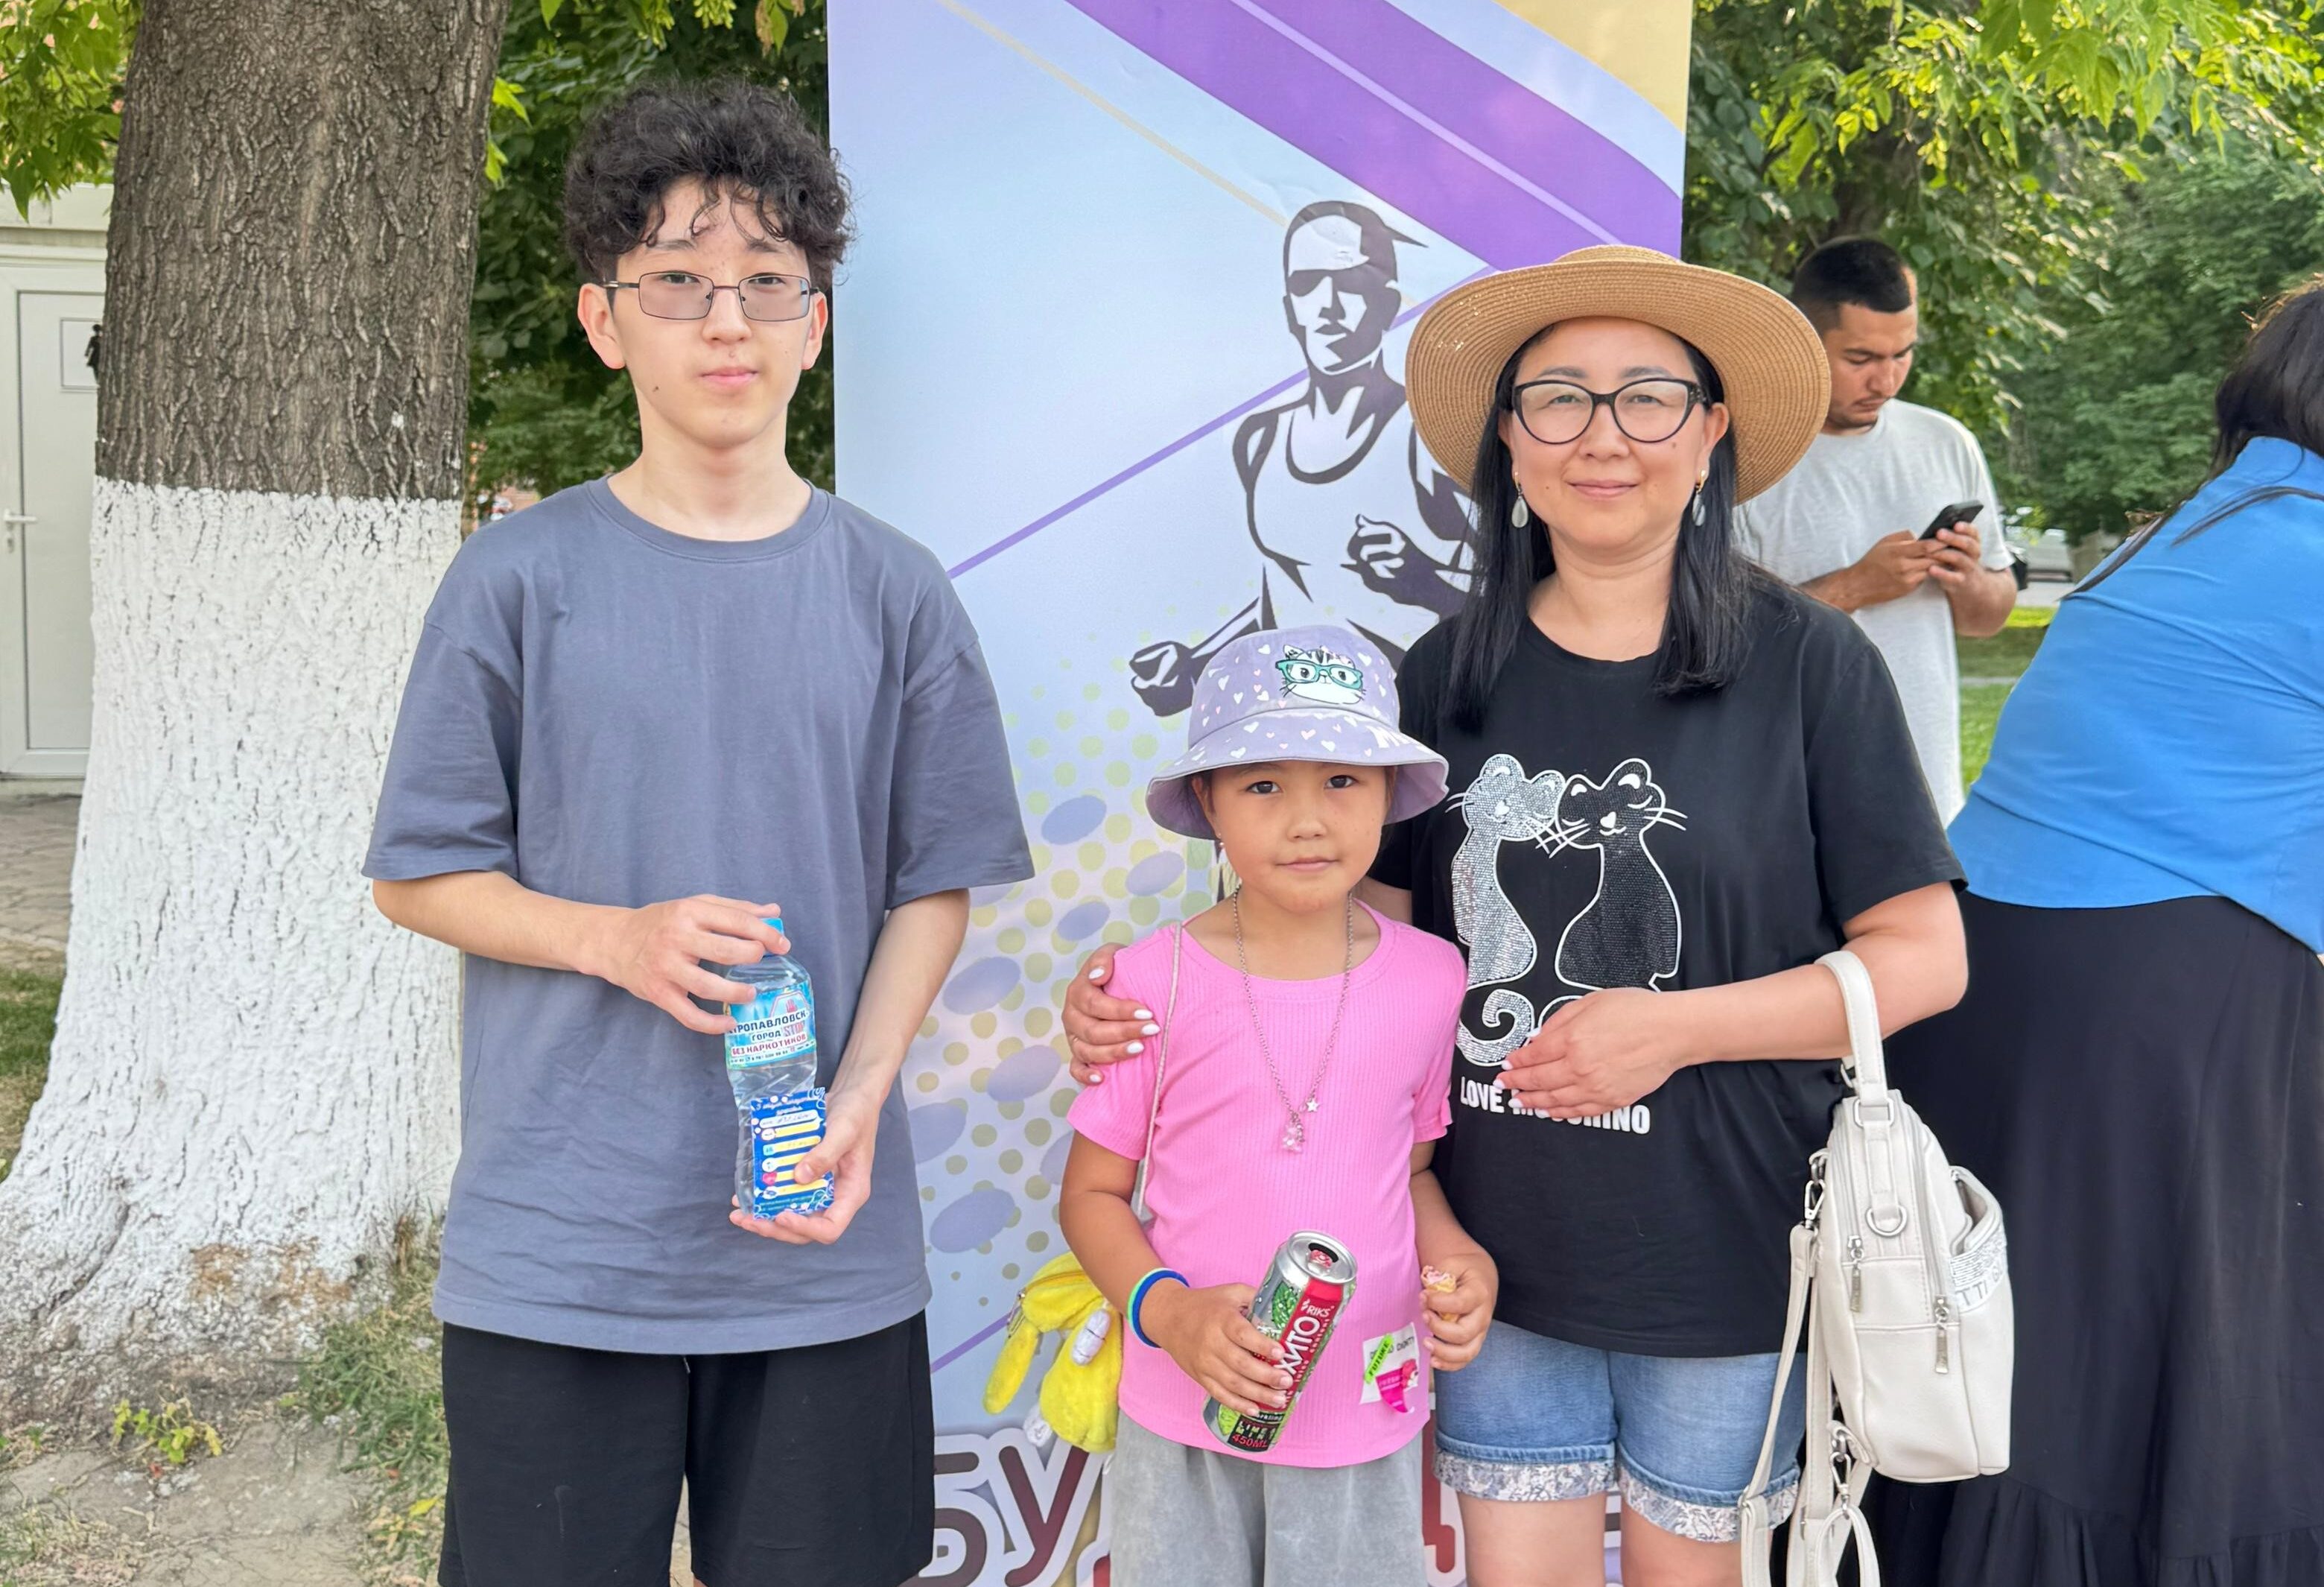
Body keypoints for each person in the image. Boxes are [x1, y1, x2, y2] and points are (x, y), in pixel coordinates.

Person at [1069, 247, 1972, 1586]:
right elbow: (1345, 945)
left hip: (1729, 1260)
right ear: (1509, 438)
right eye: (1560, 399)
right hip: (1484, 1266)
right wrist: (1134, 994)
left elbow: (1926, 959)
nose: (1604, 437)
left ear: (1711, 431)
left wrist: (1674, 1029)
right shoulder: (1449, 670)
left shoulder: (1808, 664)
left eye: (1649, 398)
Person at [362, 81, 1031, 1587]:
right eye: (677, 279)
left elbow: (935, 885)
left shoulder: (897, 591)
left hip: (822, 1246)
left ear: (816, 323)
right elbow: (421, 874)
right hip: (562, 1246)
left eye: (767, 281)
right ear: (606, 322)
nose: (726, 321)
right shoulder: (514, 580)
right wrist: (615, 938)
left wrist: (861, 1097)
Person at [1863, 279, 2324, 1587]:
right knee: (2149, 1384)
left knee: (2004, 1359)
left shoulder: (2179, 531)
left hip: (1987, 970)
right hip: (2160, 996)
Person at [1059, 623, 1496, 1586]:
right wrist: (1169, 1314)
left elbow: (1411, 1172)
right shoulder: (1149, 982)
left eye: (1342, 781)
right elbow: (1090, 1195)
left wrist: (1459, 1260)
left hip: (1359, 1408)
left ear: (1388, 793)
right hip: (1182, 1410)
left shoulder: (1434, 978)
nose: (1307, 821)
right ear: (1207, 803)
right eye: (1264, 785)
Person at [1129, 201, 1472, 716]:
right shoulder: (1260, 439)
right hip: (1304, 733)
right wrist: (1195, 666)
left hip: (1416, 729)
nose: (1328, 306)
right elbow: (1291, 587)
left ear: (1388, 304)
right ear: (1290, 309)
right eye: (1309, 284)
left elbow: (1524, 609)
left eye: (1351, 282)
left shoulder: (1428, 435)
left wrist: (1425, 581)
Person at [1734, 237, 2016, 820]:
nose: (1886, 382)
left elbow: (1987, 621)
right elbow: (1719, 637)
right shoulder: (1741, 457)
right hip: (1792, 802)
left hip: (1928, 794)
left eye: (1902, 355)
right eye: (1860, 360)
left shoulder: (1946, 442)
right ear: (1803, 338)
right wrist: (1853, 587)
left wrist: (1968, 580)